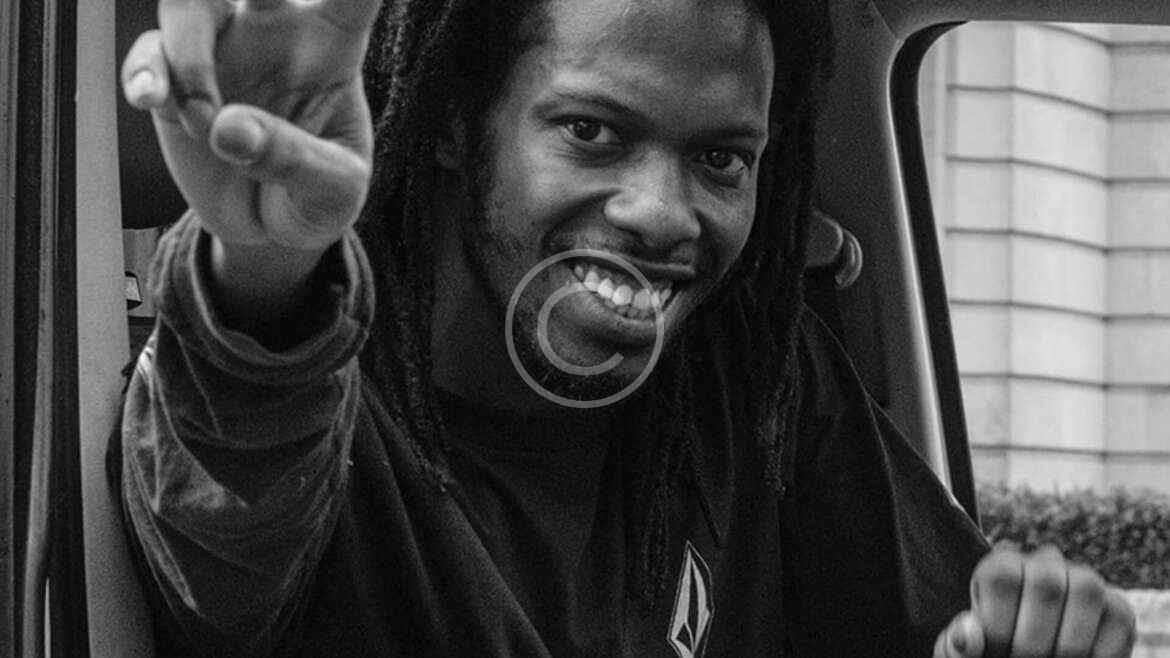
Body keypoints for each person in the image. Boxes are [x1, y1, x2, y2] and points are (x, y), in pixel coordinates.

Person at [115, 0, 1136, 656]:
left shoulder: (757, 382)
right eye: (592, 132)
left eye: (721, 159)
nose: (662, 212)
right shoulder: (312, 397)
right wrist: (262, 262)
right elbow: (215, 539)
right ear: (458, 127)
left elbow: (950, 625)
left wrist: (1031, 633)